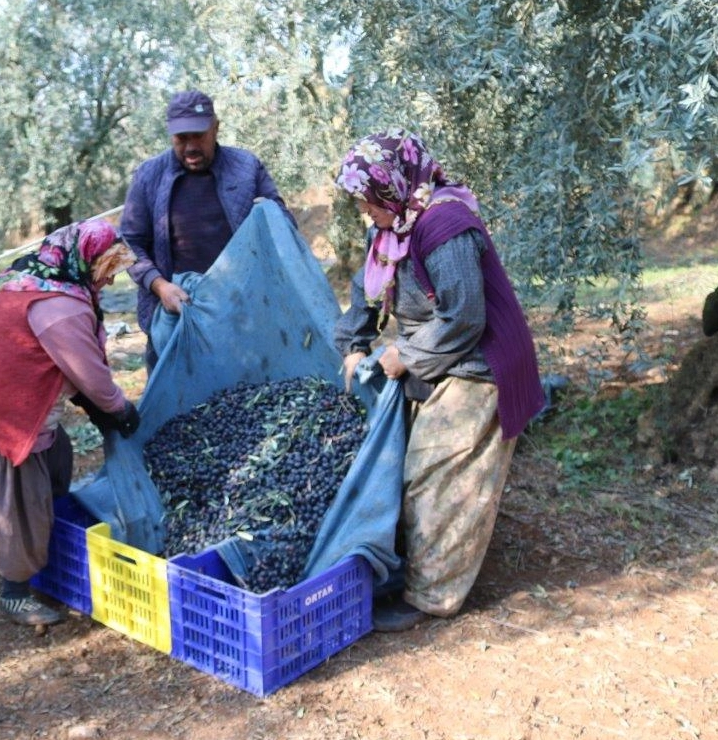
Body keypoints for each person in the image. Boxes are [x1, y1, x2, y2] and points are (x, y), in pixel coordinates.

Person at [333, 129, 545, 632]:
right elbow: (363, 300)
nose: (364, 209)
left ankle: (431, 595)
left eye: (367, 198)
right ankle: (419, 561)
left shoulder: (443, 223)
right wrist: (354, 346)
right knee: (409, 464)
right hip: (443, 356)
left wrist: (404, 355)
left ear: (391, 185)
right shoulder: (387, 228)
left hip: (482, 363)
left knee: (436, 472)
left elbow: (465, 316)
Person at [0, 219, 139, 626]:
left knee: (58, 458)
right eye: (107, 269)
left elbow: (55, 362)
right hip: (0, 416)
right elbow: (91, 376)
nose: (111, 281)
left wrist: (97, 407)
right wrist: (118, 410)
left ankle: (49, 537)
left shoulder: (29, 279)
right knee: (18, 504)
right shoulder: (60, 307)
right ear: (85, 261)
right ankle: (15, 591)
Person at [120, 89, 298, 370]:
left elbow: (284, 225)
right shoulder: (148, 176)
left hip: (242, 312)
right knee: (177, 402)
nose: (190, 146)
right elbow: (128, 244)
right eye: (181, 138)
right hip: (176, 311)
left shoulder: (246, 168)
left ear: (216, 128)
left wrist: (271, 213)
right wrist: (159, 285)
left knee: (244, 396)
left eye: (198, 136)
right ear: (170, 135)